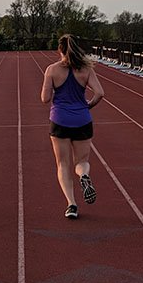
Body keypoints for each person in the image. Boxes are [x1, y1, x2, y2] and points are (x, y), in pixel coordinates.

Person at [40, 34, 104, 219]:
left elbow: (44, 99)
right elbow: (100, 93)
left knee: (62, 164)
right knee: (81, 162)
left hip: (60, 120)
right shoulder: (86, 69)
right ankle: (84, 176)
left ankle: (71, 204)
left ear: (59, 50)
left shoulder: (52, 70)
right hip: (82, 120)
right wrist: (88, 105)